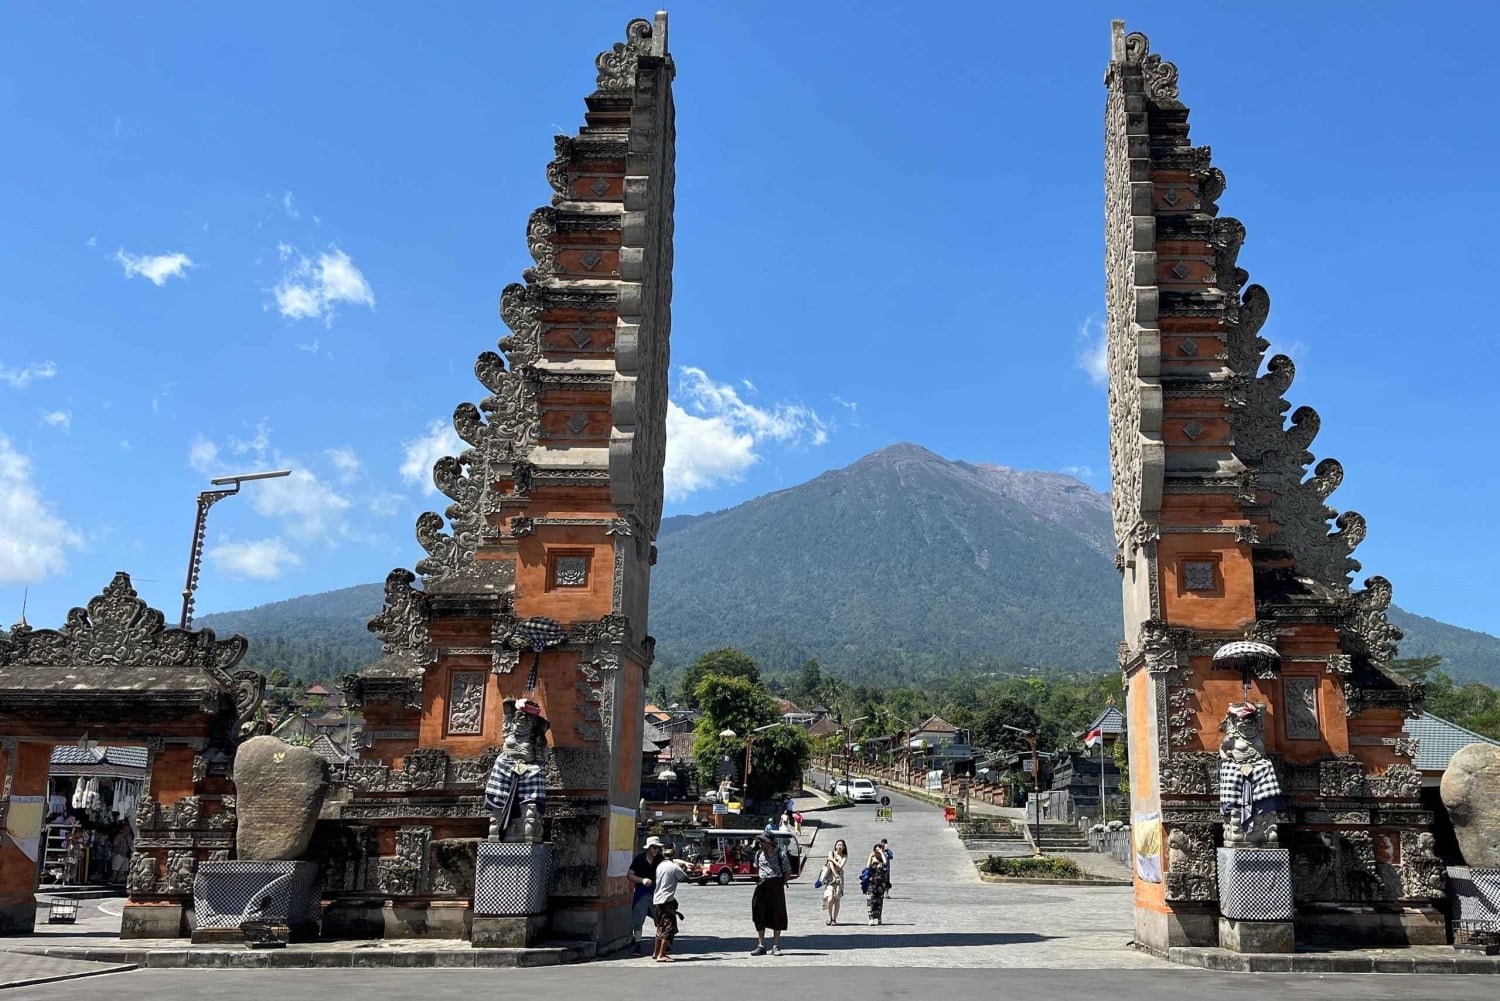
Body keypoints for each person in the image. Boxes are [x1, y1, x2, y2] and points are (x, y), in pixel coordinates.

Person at [749, 832, 790, 956]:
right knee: (758, 913)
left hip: (776, 885)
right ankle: (761, 945)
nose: (760, 843)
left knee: (777, 914)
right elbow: (757, 868)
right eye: (760, 841)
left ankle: (776, 946)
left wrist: (780, 883)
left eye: (763, 841)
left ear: (770, 842)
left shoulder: (780, 854)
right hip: (762, 885)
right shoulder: (758, 854)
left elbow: (787, 871)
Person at [628, 836, 664, 954]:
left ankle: (661, 945)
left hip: (656, 893)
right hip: (641, 893)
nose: (656, 850)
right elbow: (630, 875)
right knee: (638, 920)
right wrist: (642, 880)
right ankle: (638, 944)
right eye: (654, 847)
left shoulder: (660, 859)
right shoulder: (639, 859)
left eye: (658, 848)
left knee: (660, 919)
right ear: (648, 848)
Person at [652, 848, 688, 962]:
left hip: (657, 900)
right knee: (669, 928)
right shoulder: (673, 867)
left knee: (661, 927)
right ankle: (661, 954)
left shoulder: (660, 866)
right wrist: (703, 877)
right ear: (674, 855)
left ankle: (656, 952)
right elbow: (687, 879)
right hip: (666, 901)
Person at [819, 838, 848, 925]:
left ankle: (834, 919)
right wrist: (836, 875)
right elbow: (831, 865)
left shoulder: (844, 856)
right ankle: (830, 917)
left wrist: (832, 860)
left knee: (837, 899)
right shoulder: (831, 853)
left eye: (841, 845)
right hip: (830, 878)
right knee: (830, 897)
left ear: (844, 847)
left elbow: (840, 866)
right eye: (838, 844)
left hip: (839, 879)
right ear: (835, 845)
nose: (839, 846)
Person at [864, 843, 889, 925]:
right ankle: (870, 918)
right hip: (871, 882)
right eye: (876, 849)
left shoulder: (882, 858)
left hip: (880, 882)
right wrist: (871, 856)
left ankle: (879, 917)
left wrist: (881, 853)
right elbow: (867, 867)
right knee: (870, 899)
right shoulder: (872, 858)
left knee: (879, 901)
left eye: (879, 849)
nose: (877, 851)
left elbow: (885, 863)